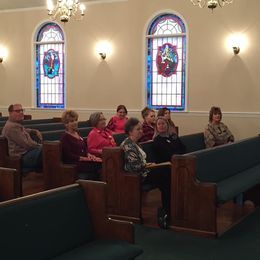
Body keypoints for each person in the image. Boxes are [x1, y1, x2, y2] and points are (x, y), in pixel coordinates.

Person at [121, 117, 171, 229]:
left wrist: (148, 165)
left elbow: (141, 162)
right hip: (137, 176)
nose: (141, 131)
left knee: (167, 173)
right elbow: (134, 166)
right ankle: (166, 210)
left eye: (141, 129)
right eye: (138, 129)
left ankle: (167, 210)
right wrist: (147, 165)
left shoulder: (136, 143)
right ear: (130, 131)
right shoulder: (128, 145)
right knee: (165, 175)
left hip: (144, 171)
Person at [60, 110, 101, 180]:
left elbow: (84, 149)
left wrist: (90, 155)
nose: (75, 122)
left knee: (100, 162)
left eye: (76, 120)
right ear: (66, 124)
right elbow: (68, 155)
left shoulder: (77, 134)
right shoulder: (65, 137)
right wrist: (84, 158)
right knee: (99, 165)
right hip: (74, 163)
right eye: (72, 121)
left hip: (83, 161)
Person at [1, 104, 42, 173]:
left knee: (48, 151)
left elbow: (23, 130)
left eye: (22, 110)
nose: (21, 112)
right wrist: (40, 146)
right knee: (48, 150)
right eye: (17, 111)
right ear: (10, 113)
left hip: (24, 154)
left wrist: (33, 131)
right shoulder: (12, 127)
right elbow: (27, 145)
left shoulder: (14, 124)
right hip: (20, 158)